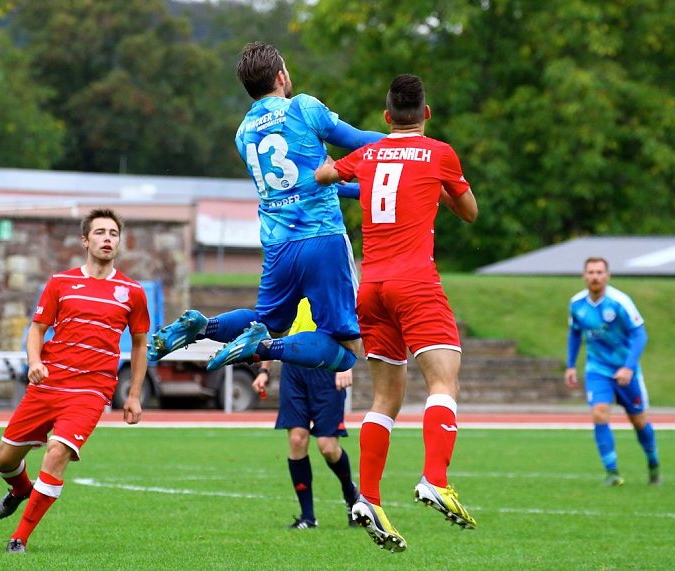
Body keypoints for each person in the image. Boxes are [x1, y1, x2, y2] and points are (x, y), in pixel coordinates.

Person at [315, 74, 479, 552]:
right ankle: (434, 478)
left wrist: (332, 162)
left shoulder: (367, 155)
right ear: (425, 114)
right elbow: (468, 211)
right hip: (415, 283)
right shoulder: (440, 153)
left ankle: (367, 497)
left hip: (372, 287)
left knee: (385, 399)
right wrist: (436, 190)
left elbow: (325, 175)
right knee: (444, 382)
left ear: (386, 118)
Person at [148, 41, 383, 375]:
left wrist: (352, 189)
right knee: (347, 351)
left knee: (269, 320)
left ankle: (202, 327)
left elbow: (298, 184)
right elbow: (360, 141)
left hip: (279, 245)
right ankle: (264, 348)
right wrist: (407, 142)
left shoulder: (243, 133)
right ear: (281, 75)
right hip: (322, 237)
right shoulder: (303, 107)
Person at [0, 208, 150, 554]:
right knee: (3, 460)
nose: (107, 238)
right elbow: (37, 329)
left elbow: (140, 345)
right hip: (48, 384)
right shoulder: (60, 283)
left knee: (57, 450)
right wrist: (34, 362)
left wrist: (134, 395)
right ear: (85, 240)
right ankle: (20, 489)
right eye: (100, 232)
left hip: (92, 390)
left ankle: (19, 538)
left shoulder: (132, 292)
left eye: (113, 233)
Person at [252, 298, 359, 530]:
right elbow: (276, 331)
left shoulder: (333, 280)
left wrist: (347, 365)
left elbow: (352, 321)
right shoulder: (292, 283)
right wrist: (264, 371)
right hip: (294, 368)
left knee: (328, 447)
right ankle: (308, 517)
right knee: (297, 439)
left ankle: (351, 496)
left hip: (327, 365)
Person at [565, 257, 661, 487]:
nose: (595, 276)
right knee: (599, 414)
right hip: (597, 369)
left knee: (638, 421)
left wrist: (628, 367)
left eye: (599, 272)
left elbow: (640, 335)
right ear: (584, 276)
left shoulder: (620, 302)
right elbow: (575, 333)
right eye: (591, 272)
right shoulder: (577, 304)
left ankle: (653, 464)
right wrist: (570, 365)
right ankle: (613, 473)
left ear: (607, 276)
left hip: (625, 369)